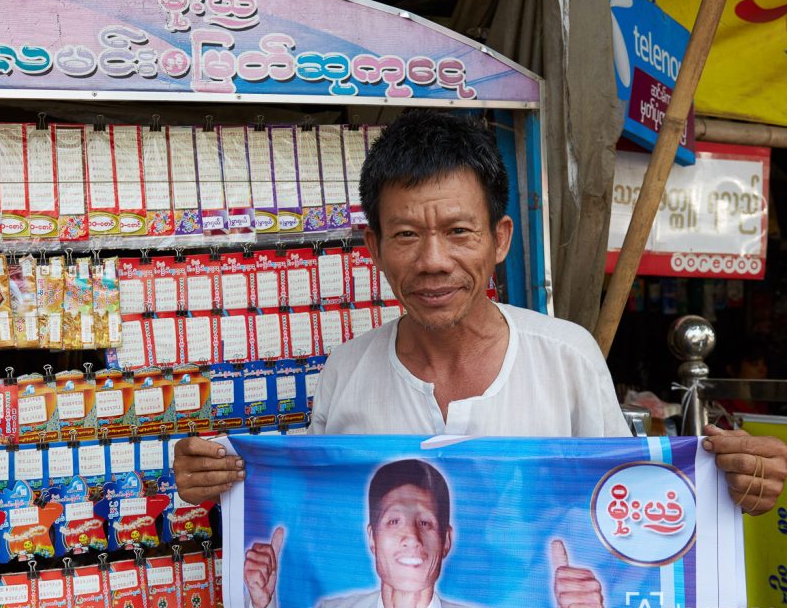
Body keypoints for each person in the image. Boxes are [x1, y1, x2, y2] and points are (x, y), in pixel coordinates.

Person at [174, 110, 787, 514]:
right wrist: (223, 483)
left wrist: (728, 488)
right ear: (375, 249)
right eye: (407, 235)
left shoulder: (567, 356)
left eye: (459, 232)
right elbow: (318, 509)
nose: (433, 261)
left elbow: (621, 506)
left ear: (501, 240)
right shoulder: (348, 369)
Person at [242, 459, 599, 608]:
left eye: (426, 523)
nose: (411, 537)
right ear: (371, 537)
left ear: (447, 541)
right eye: (394, 521)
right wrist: (261, 606)